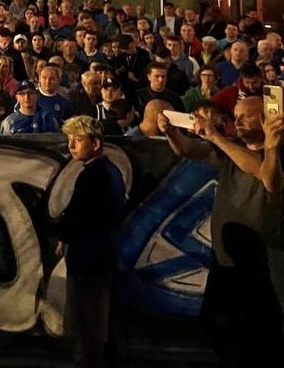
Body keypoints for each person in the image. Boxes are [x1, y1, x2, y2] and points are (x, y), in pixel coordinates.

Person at [158, 96, 283, 366]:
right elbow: (190, 150)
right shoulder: (231, 148)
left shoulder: (275, 153)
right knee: (215, 322)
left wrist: (216, 136)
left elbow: (263, 172)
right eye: (235, 115)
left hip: (264, 265)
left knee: (263, 335)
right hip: (227, 260)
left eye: (245, 116)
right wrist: (171, 133)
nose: (236, 121)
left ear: (266, 119)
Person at [54, 115, 127, 368]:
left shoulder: (93, 176)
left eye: (77, 139)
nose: (71, 145)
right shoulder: (111, 171)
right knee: (100, 328)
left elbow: (79, 216)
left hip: (89, 262)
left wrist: (64, 234)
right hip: (102, 257)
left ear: (95, 143)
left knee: (89, 331)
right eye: (69, 140)